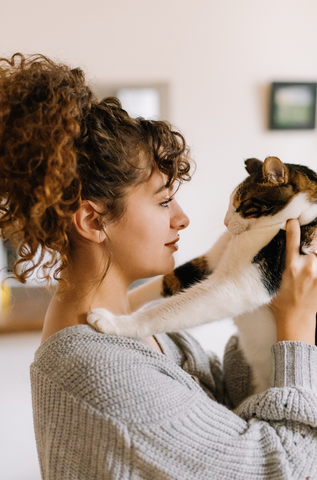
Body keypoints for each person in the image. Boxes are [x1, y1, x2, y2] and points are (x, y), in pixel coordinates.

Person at [1, 53, 317, 480]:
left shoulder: (140, 334)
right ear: (93, 220)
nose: (182, 217)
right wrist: (298, 332)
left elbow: (232, 404)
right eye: (164, 200)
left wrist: (268, 295)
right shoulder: (99, 372)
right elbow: (288, 468)